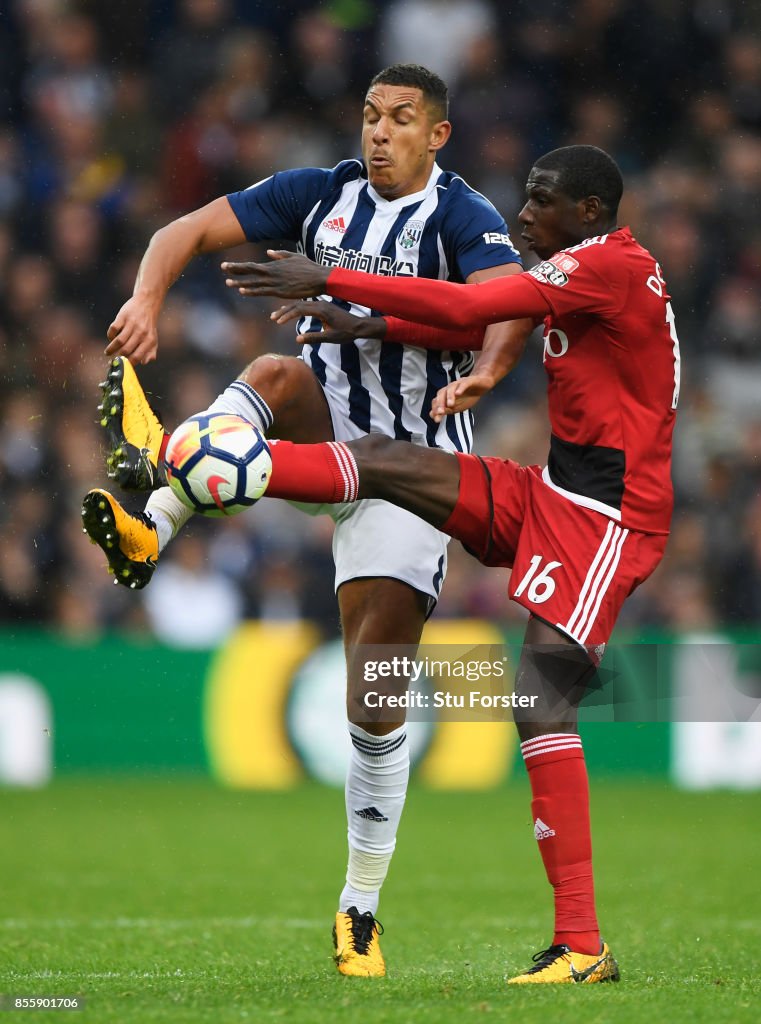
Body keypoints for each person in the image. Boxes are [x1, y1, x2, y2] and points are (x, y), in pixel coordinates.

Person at [92, 144, 678, 983]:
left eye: (541, 200)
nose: (523, 212)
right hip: (554, 493)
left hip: (608, 520)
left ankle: (582, 944)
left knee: (539, 706)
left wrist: (337, 284)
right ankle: (215, 470)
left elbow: (476, 300)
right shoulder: (586, 262)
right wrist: (382, 328)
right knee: (387, 461)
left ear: (588, 211)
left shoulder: (603, 266)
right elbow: (484, 317)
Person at [82, 63, 530, 977]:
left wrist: (469, 363)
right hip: (318, 426)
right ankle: (154, 520)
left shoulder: (461, 216)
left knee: (372, 700)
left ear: (436, 136)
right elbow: (186, 228)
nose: (378, 133)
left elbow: (502, 308)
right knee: (277, 372)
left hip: (413, 473)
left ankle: (358, 908)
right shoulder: (322, 194)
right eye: (370, 115)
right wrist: (145, 297)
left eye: (401, 120)